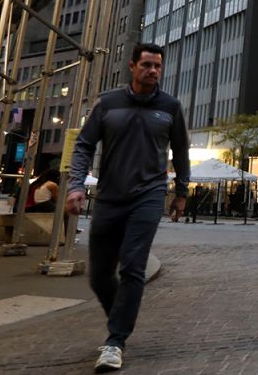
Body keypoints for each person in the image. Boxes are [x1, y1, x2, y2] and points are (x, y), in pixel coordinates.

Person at [67, 42, 190, 372]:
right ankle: (117, 322)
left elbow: (180, 151)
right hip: (109, 196)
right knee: (99, 276)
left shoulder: (170, 107)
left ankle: (115, 341)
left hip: (149, 195)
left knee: (133, 267)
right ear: (132, 66)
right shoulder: (108, 104)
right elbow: (83, 145)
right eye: (147, 65)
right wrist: (76, 184)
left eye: (157, 66)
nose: (153, 71)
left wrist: (181, 192)